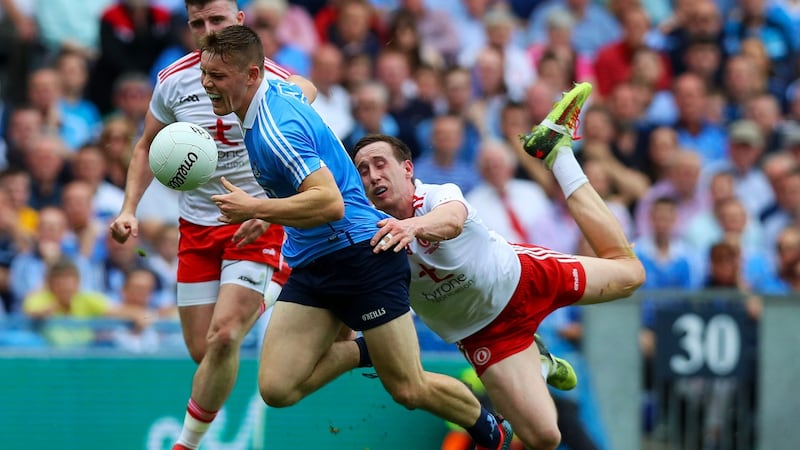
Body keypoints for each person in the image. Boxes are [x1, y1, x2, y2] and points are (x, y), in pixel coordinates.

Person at [203, 25, 514, 450]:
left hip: (362, 255)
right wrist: (275, 206)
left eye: (218, 77)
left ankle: (489, 430)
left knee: (408, 389)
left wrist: (256, 207)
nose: (207, 84)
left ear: (251, 75)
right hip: (314, 262)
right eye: (206, 73)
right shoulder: (277, 94)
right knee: (276, 388)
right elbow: (304, 87)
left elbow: (329, 203)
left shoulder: (275, 131)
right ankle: (366, 350)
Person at [350, 82, 646, 449]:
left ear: (408, 169)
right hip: (486, 335)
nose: (373, 175)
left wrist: (411, 226)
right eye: (362, 170)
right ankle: (540, 364)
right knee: (544, 437)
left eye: (380, 164)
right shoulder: (366, 239)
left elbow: (452, 221)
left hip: (525, 279)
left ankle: (558, 154)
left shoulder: (437, 194)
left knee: (633, 274)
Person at [107, 2, 314, 450]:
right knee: (207, 352)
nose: (207, 31)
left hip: (258, 223)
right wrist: (128, 209)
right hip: (197, 228)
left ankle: (186, 445)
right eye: (198, 23)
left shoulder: (264, 75)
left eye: (217, 20)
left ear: (240, 21)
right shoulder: (172, 81)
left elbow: (306, 89)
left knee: (225, 334)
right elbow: (145, 146)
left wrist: (269, 207)